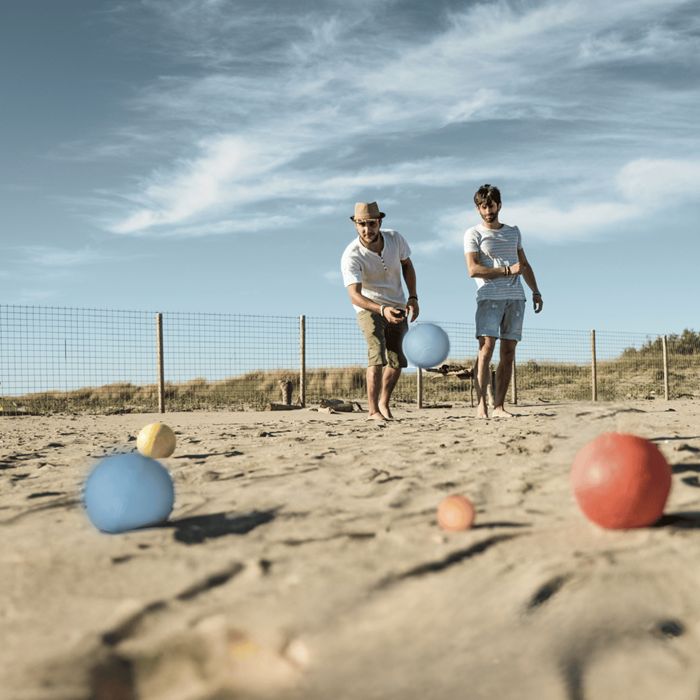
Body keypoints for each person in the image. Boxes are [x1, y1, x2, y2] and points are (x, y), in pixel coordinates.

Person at [464, 184, 543, 419]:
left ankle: (499, 406)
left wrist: (536, 291)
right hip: (489, 297)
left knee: (508, 353)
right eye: (483, 206)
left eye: (491, 205)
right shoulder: (473, 234)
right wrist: (508, 270)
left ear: (499, 205)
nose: (488, 210)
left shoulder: (513, 232)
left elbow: (524, 265)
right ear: (478, 208)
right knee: (486, 350)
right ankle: (482, 406)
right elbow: (473, 269)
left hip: (516, 299)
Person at [341, 201, 420, 421]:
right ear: (355, 225)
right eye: (362, 224)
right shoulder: (351, 255)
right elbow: (354, 295)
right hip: (368, 306)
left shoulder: (395, 238)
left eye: (371, 224)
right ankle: (373, 410)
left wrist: (413, 296)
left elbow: (407, 265)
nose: (367, 229)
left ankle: (384, 404)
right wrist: (381, 309)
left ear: (380, 222)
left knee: (398, 360)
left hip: (397, 303)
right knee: (377, 353)